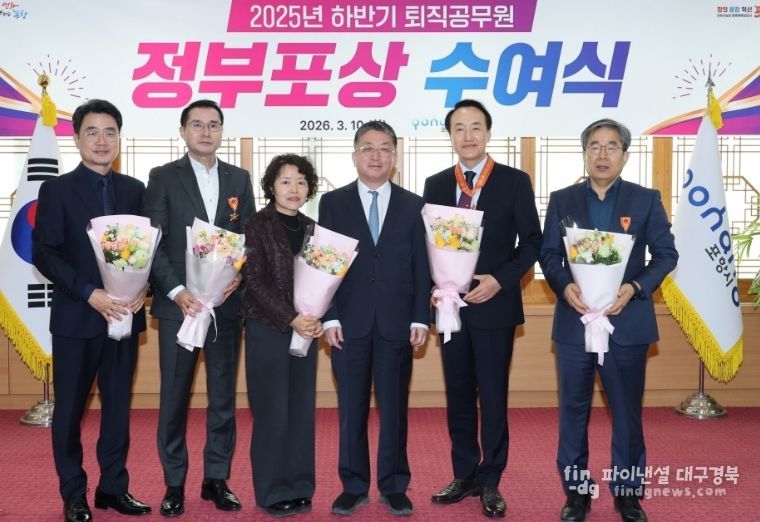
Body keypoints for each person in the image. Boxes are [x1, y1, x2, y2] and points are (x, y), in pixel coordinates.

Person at [540, 119, 677, 522]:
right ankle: (576, 491)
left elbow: (666, 255)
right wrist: (564, 285)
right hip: (575, 322)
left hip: (626, 323)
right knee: (573, 412)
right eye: (595, 146)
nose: (602, 154)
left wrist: (634, 287)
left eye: (611, 147)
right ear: (585, 153)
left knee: (627, 413)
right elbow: (548, 254)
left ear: (625, 155)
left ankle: (627, 492)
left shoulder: (645, 199)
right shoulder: (562, 199)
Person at [33, 99, 151, 522]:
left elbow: (148, 251)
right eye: (92, 132)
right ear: (77, 138)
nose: (102, 141)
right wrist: (90, 293)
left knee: (118, 409)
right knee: (69, 411)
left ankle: (113, 488)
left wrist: (144, 289)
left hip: (124, 315)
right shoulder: (57, 190)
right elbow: (44, 254)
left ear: (120, 138)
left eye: (110, 132)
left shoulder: (135, 190)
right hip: (77, 317)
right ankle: (73, 493)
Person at [423, 99, 542, 518]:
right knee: (458, 394)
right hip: (451, 307)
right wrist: (433, 289)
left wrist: (500, 280)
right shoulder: (436, 184)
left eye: (476, 127)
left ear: (488, 133)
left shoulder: (514, 181)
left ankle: (491, 479)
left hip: (494, 305)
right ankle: (464, 474)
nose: (468, 135)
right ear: (450, 136)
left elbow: (533, 242)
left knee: (492, 396)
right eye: (459, 128)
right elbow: (426, 244)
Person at [142, 99, 255, 517]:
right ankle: (174, 483)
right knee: (174, 398)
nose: (206, 132)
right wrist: (176, 291)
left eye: (213, 125)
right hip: (180, 309)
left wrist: (238, 276)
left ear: (222, 131)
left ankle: (216, 479)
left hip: (224, 306)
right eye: (197, 125)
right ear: (183, 131)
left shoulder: (239, 178)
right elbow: (154, 240)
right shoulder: (163, 176)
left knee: (223, 398)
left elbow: (247, 237)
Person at [319, 121, 431, 517]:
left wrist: (421, 317)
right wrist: (329, 317)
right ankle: (353, 485)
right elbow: (324, 263)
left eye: (384, 148)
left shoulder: (414, 205)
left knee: (394, 408)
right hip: (348, 324)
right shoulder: (332, 203)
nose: (376, 155)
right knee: (351, 408)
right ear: (354, 156)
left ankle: (394, 485)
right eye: (368, 148)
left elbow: (422, 265)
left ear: (394, 157)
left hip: (397, 322)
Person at [241, 154, 322, 517]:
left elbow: (326, 278)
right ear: (271, 186)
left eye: (301, 182)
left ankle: (300, 484)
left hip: (306, 331)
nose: (294, 188)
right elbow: (253, 281)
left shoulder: (313, 228)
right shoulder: (255, 225)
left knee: (301, 411)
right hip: (269, 329)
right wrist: (291, 318)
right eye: (286, 181)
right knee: (273, 412)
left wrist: (315, 318)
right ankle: (273, 490)